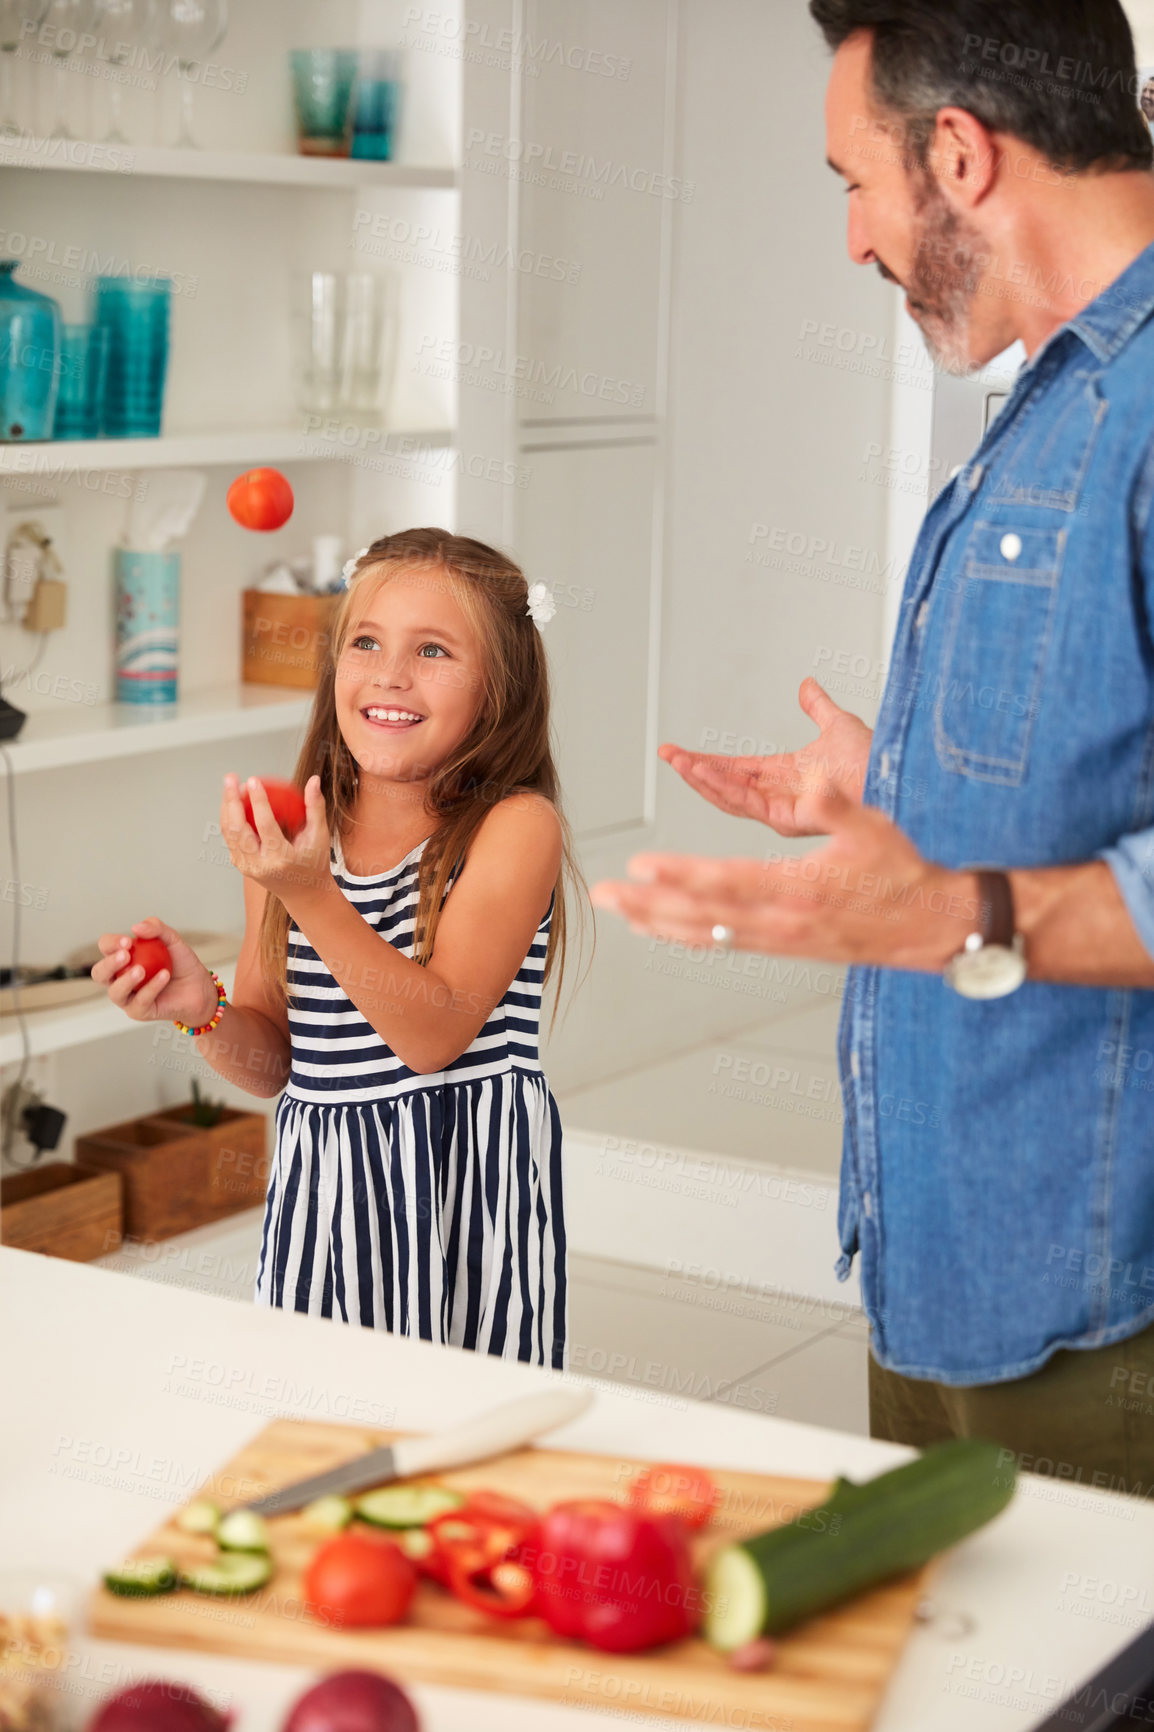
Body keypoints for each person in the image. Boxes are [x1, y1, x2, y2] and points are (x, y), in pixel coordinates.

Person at [591, 0, 1154, 1491]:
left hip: (1105, 1302)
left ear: (958, 155)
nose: (853, 238)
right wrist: (887, 791)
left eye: (854, 180)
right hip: (948, 1253)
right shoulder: (1051, 391)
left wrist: (952, 907)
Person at [92, 529, 583, 1370]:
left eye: (433, 650)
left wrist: (309, 889)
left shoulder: (514, 828)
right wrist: (198, 1009)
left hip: (464, 1193)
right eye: (366, 642)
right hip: (326, 1201)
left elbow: (431, 1037)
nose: (390, 674)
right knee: (318, 1411)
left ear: (499, 688)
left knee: (462, 1432)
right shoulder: (290, 843)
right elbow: (280, 1064)